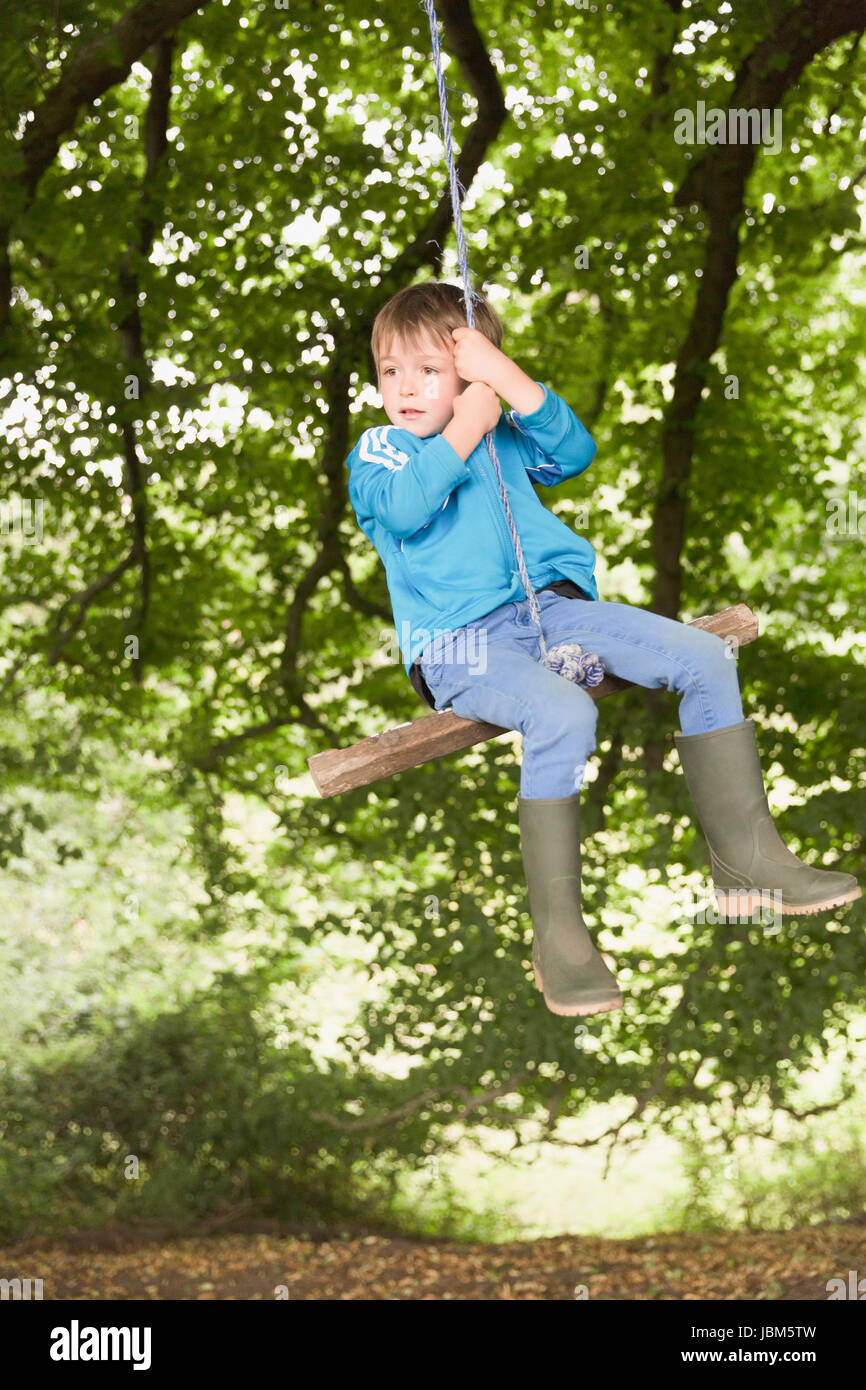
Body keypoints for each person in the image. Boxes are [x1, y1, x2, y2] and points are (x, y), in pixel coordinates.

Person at [345, 280, 861, 1017]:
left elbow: (574, 448)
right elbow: (403, 507)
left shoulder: (501, 433)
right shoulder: (382, 452)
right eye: (391, 370)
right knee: (561, 713)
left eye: (431, 368)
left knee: (706, 658)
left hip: (551, 612)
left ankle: (747, 865)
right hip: (455, 644)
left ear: (473, 371)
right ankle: (561, 939)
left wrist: (506, 382)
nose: (405, 386)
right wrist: (463, 422)